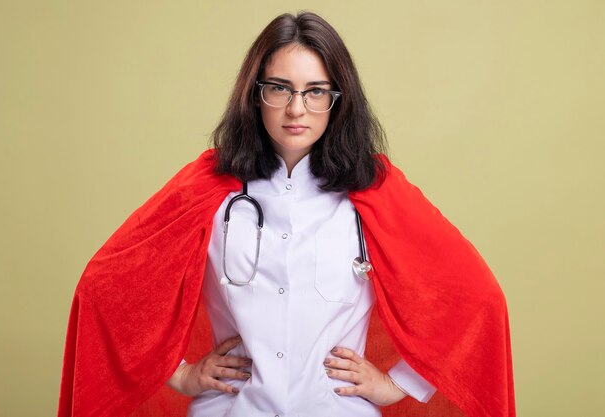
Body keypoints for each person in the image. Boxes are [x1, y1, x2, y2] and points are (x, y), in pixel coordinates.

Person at [58, 12, 515, 417]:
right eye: (280, 88)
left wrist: (397, 386)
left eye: (316, 92)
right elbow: (107, 289)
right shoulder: (207, 187)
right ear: (255, 94)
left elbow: (474, 301)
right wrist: (178, 374)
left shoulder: (374, 191)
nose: (297, 109)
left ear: (339, 100)